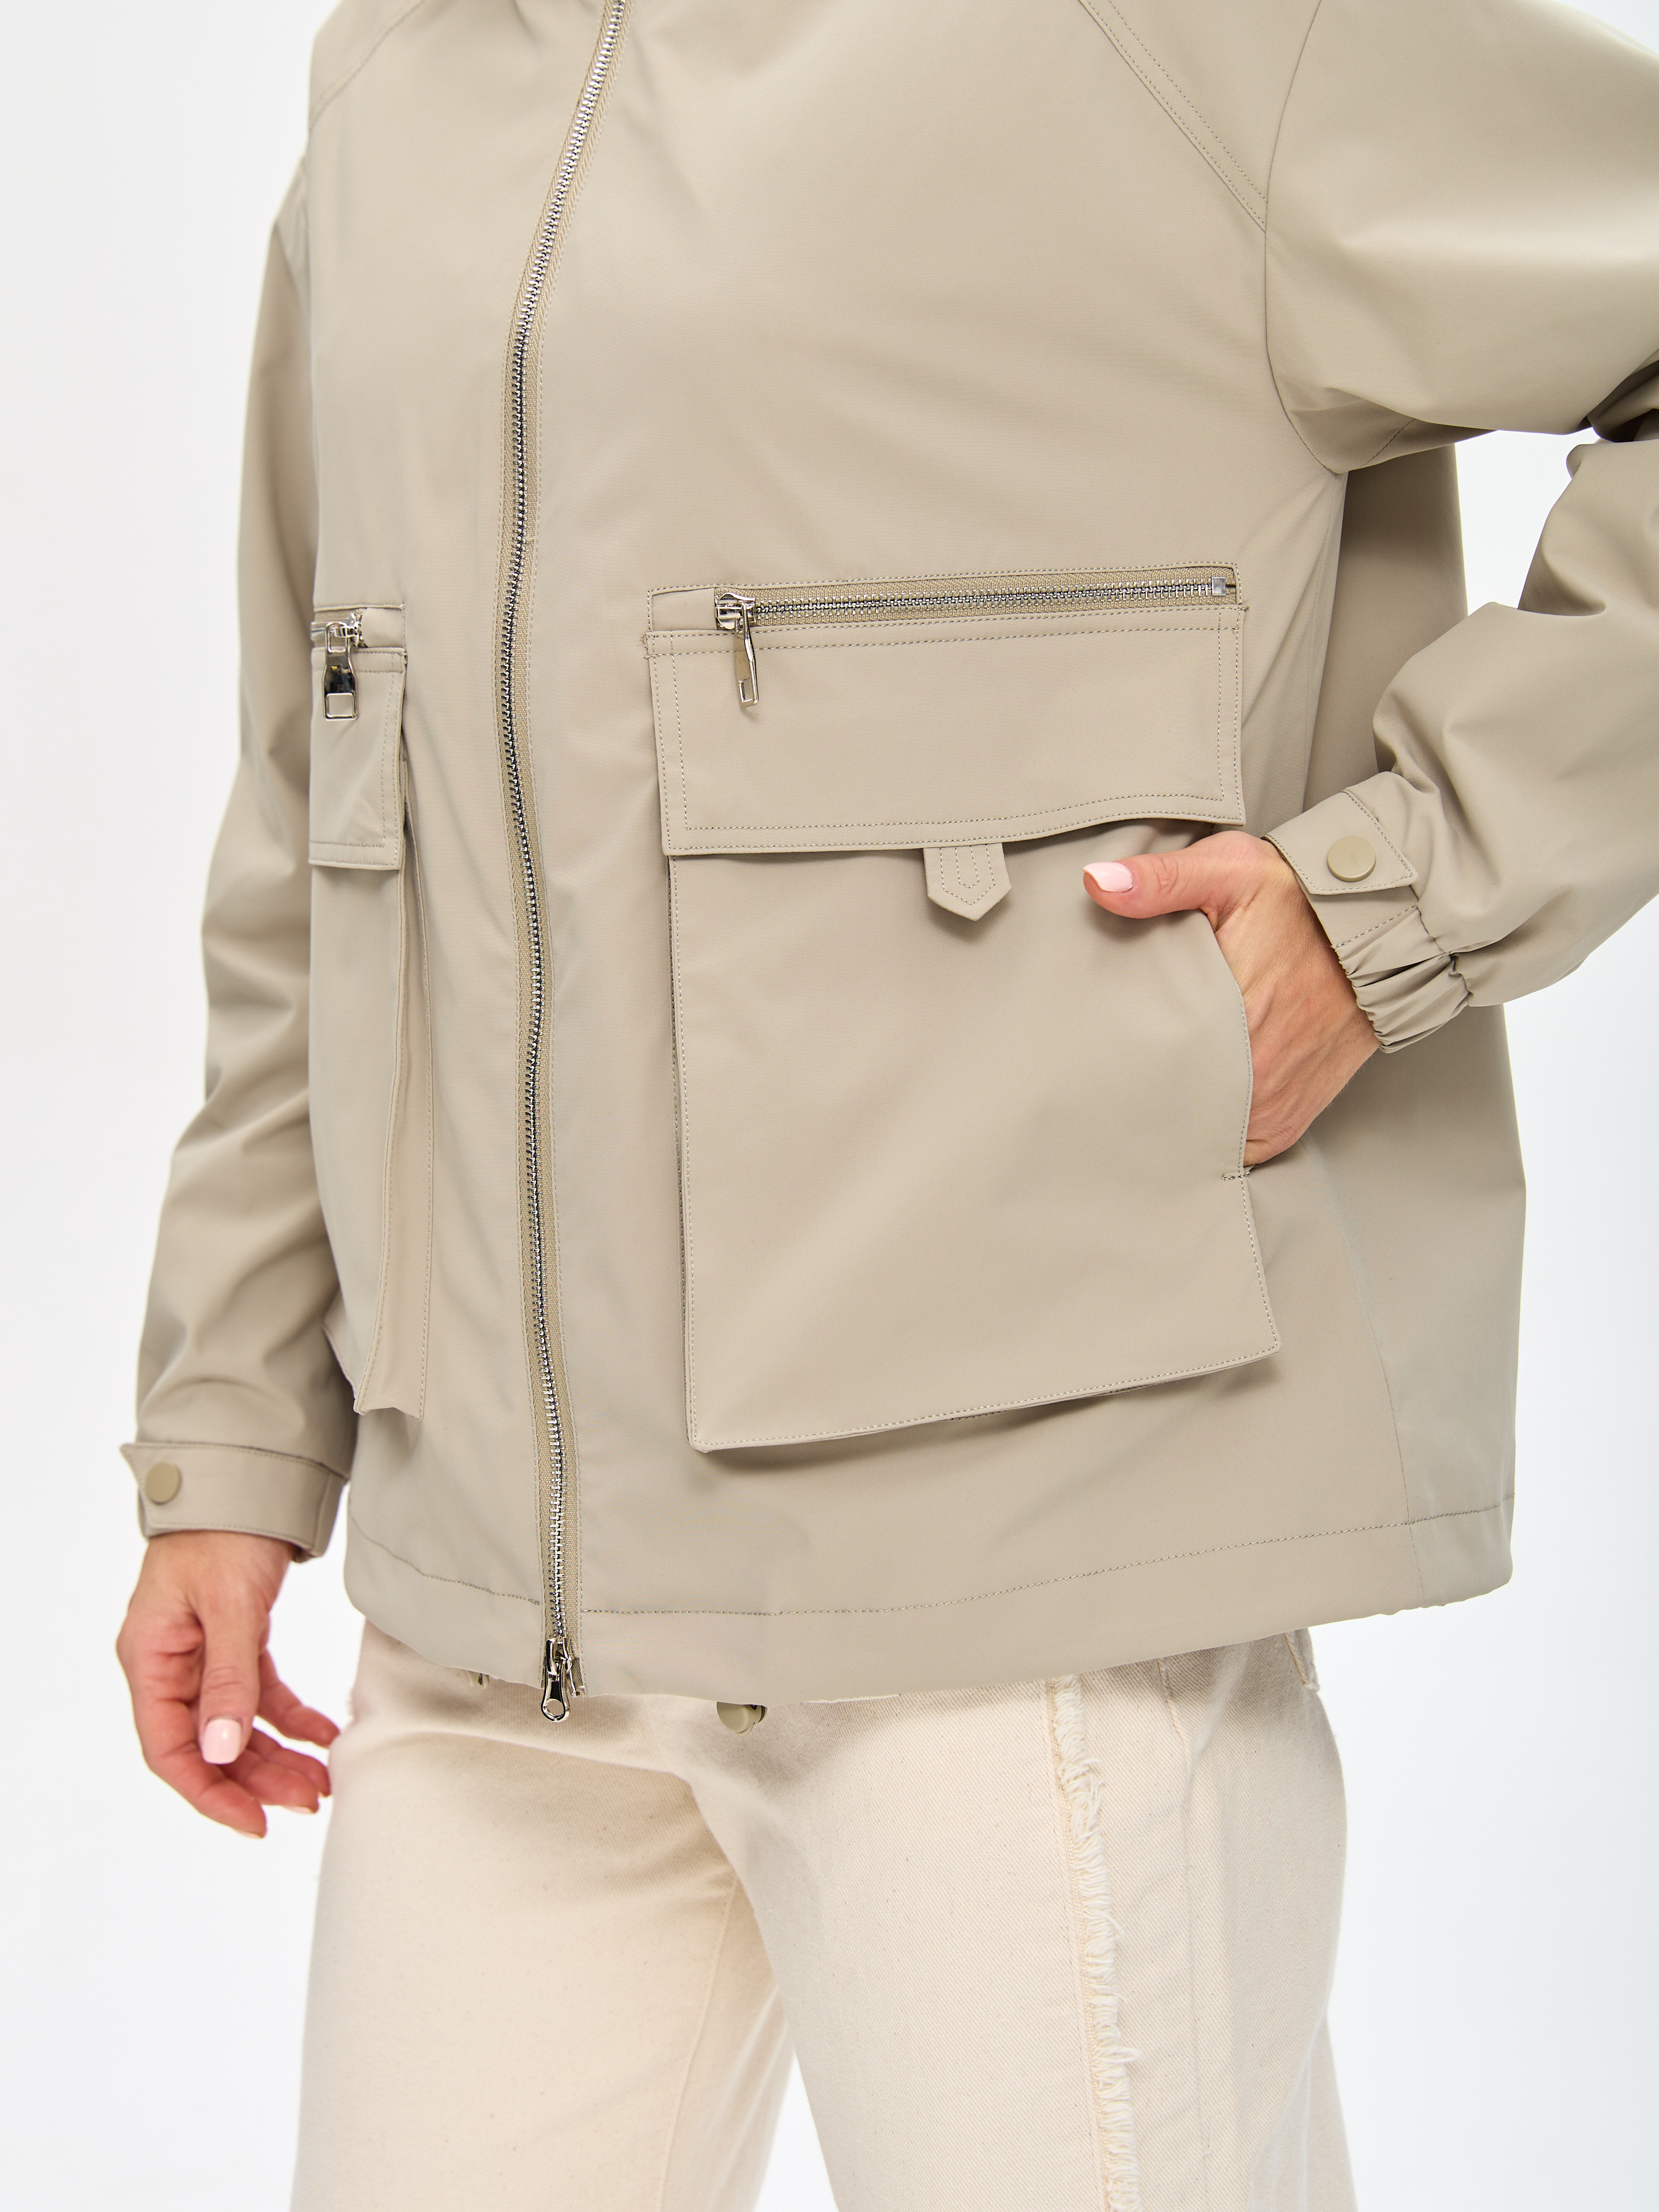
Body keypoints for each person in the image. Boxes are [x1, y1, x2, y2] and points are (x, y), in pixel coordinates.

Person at [114, 1, 1659, 2205]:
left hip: (1023, 1608)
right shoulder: (397, 70)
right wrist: (239, 1422)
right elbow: (327, 802)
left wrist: (1396, 898)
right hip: (489, 1646)